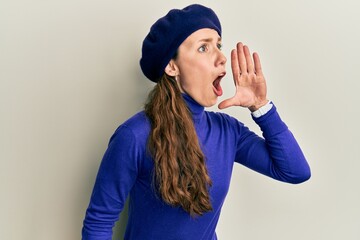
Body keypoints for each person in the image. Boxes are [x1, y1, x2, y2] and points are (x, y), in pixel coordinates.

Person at [82, 4, 311, 240]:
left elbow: (295, 172)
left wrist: (261, 106)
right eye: (204, 47)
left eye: (218, 45)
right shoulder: (135, 136)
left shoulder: (228, 131)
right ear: (172, 66)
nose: (222, 57)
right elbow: (98, 223)